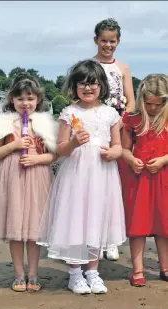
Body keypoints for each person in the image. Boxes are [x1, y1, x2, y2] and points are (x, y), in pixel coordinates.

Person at [37, 59, 126, 294]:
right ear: (74, 86)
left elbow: (118, 146)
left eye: (93, 83)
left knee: (97, 218)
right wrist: (75, 142)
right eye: (82, 84)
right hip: (76, 173)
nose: (88, 88)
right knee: (75, 218)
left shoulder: (110, 114)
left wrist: (113, 153)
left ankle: (93, 271)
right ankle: (75, 273)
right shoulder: (69, 113)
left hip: (102, 173)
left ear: (102, 86)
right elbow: (61, 149)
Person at [0, 72, 58, 292]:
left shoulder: (44, 124)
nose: (25, 103)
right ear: (12, 99)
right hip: (11, 176)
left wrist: (37, 158)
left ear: (38, 100)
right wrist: (13, 146)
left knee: (34, 229)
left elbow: (54, 155)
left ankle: (33, 273)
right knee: (15, 226)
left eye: (30, 98)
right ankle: (18, 274)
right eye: (20, 98)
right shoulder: (3, 124)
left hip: (37, 176)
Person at [93, 18, 136, 261]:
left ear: (118, 42)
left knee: (116, 186)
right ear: (96, 40)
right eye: (104, 41)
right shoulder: (88, 65)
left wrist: (119, 124)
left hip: (118, 127)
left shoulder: (124, 68)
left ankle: (112, 238)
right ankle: (96, 237)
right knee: (97, 185)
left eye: (112, 41)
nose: (108, 45)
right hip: (96, 128)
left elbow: (130, 100)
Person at [121, 74, 168, 286]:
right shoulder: (132, 119)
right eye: (148, 103)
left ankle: (165, 268)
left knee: (164, 224)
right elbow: (123, 149)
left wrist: (164, 160)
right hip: (138, 178)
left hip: (164, 177)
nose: (153, 108)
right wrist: (131, 160)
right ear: (142, 99)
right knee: (137, 225)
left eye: (158, 104)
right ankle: (138, 270)